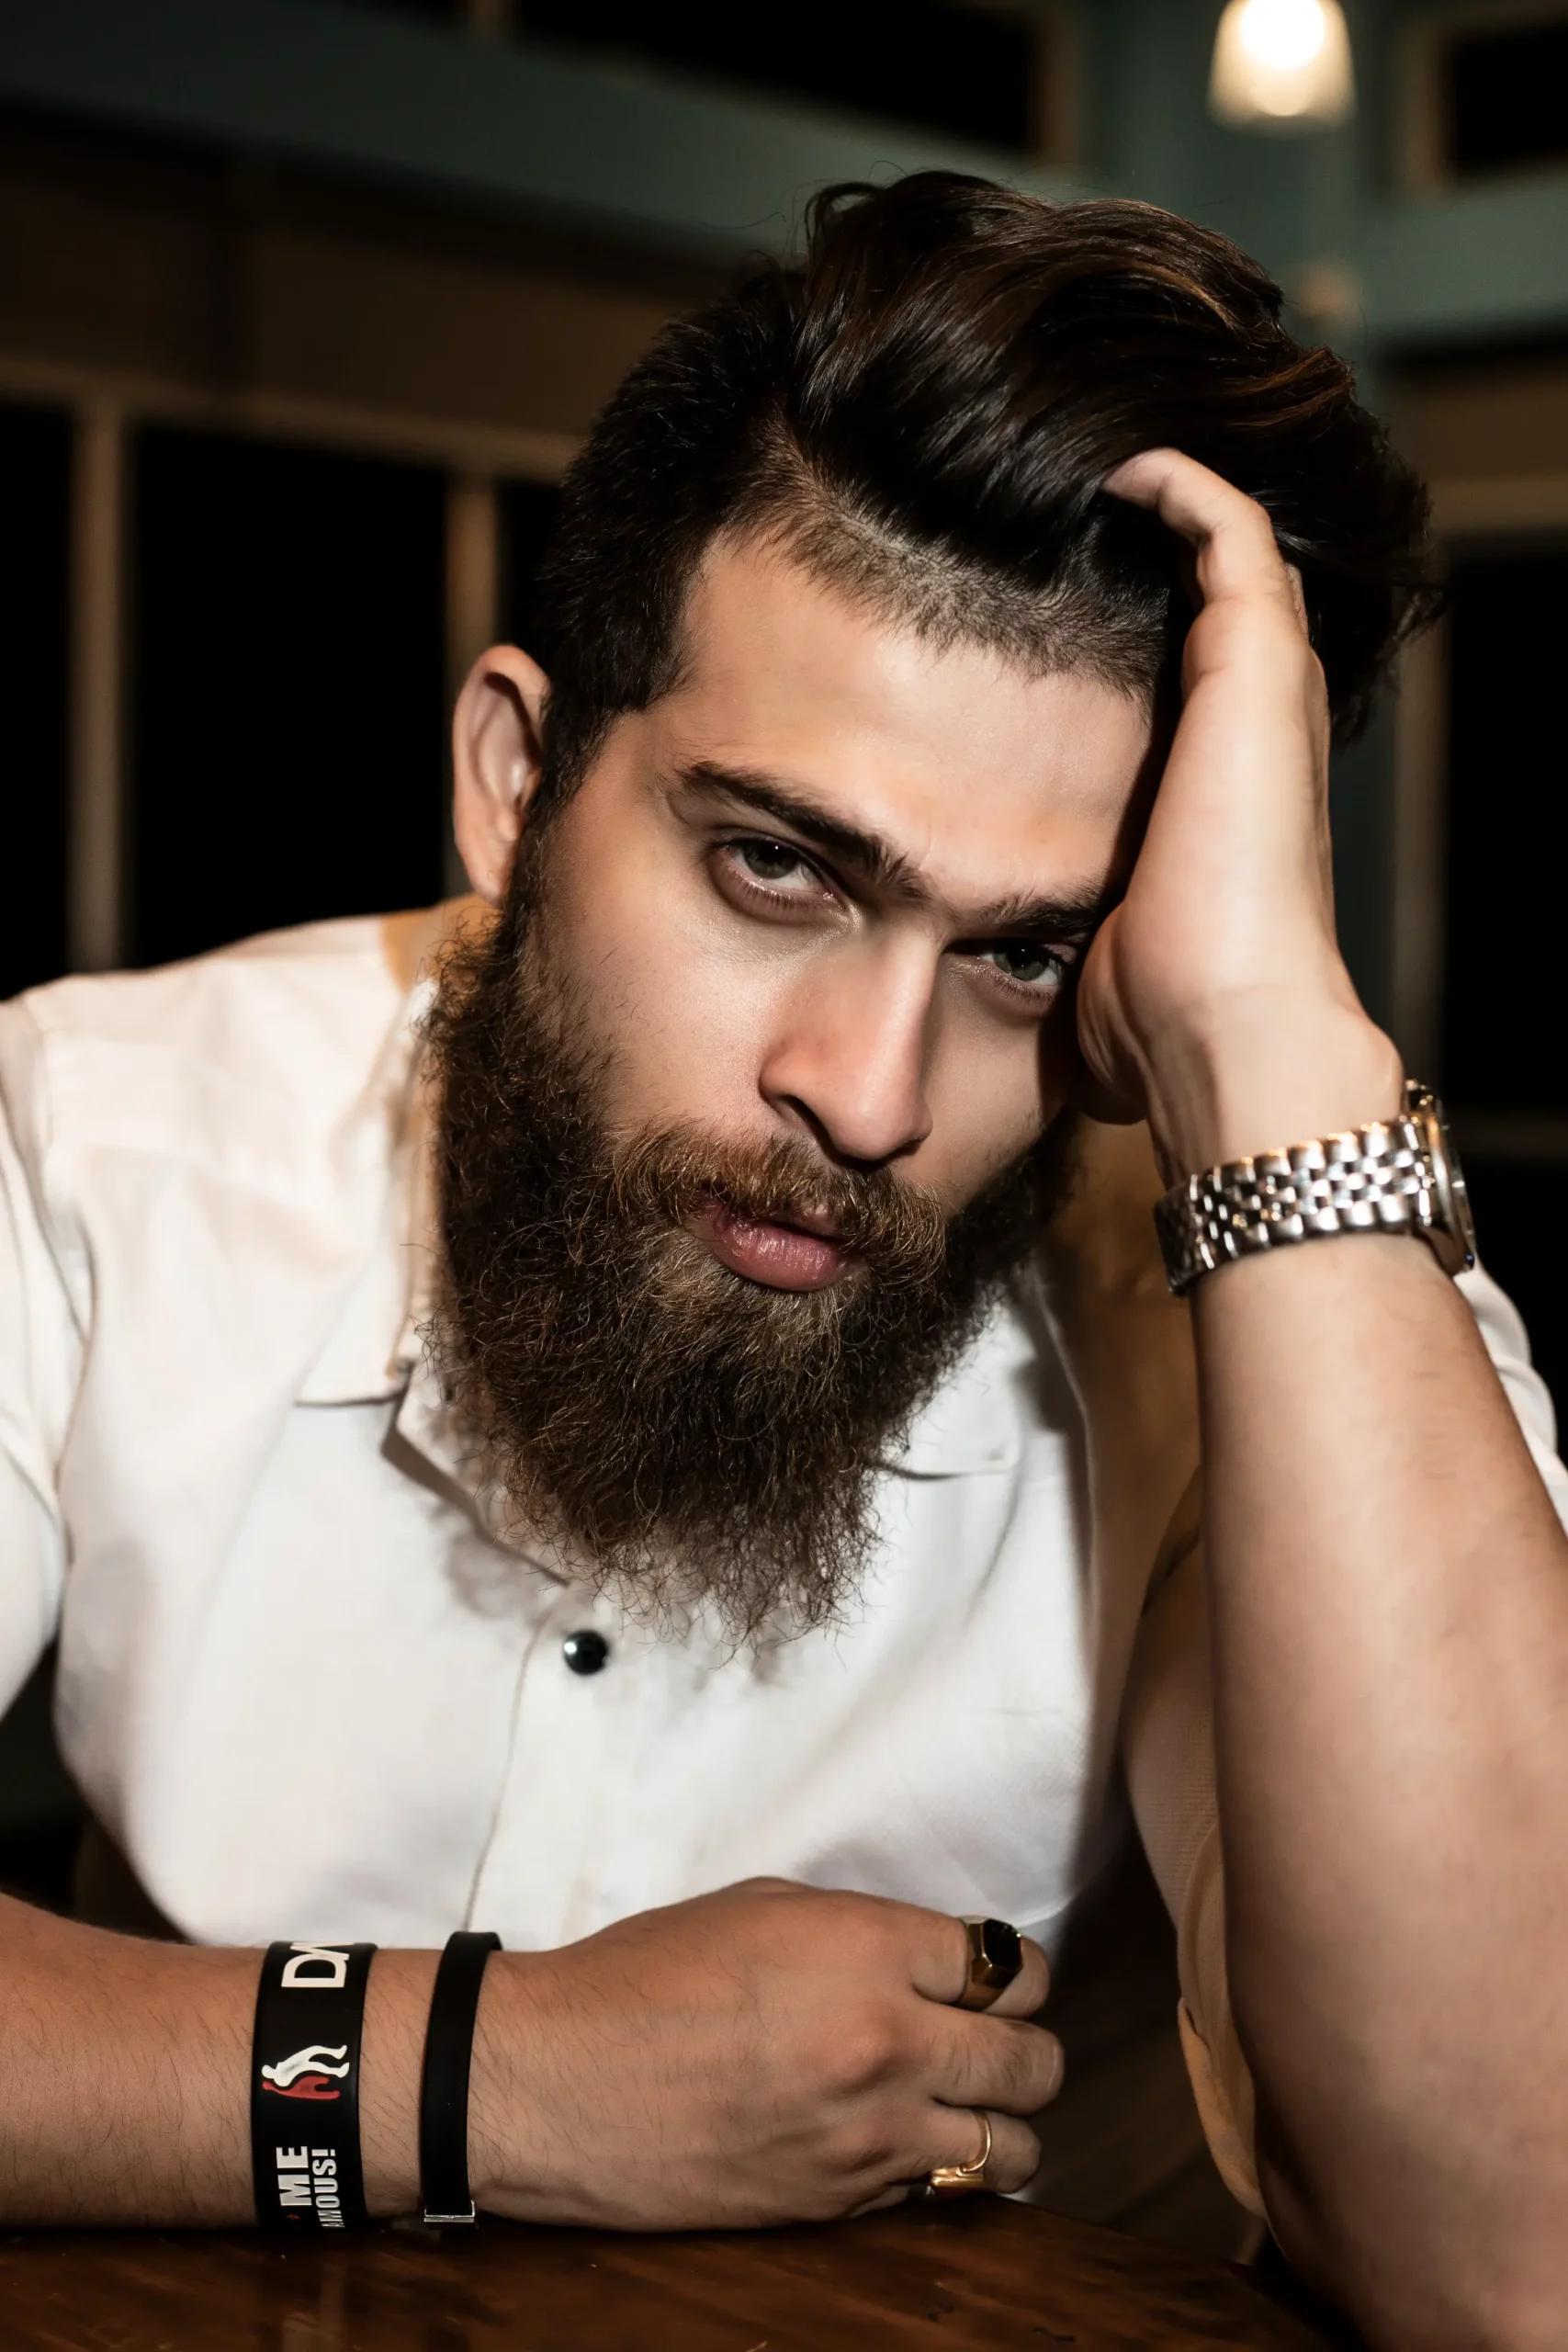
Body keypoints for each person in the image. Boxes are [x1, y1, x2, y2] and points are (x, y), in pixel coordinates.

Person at [1, 171, 1564, 2344]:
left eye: (1027, 956)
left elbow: (1517, 2259)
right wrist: (483, 2073)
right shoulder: (96, 1135)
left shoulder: (1289, 1299)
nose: (869, 1089)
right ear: (515, 782)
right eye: (776, 867)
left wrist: (1268, 1031)